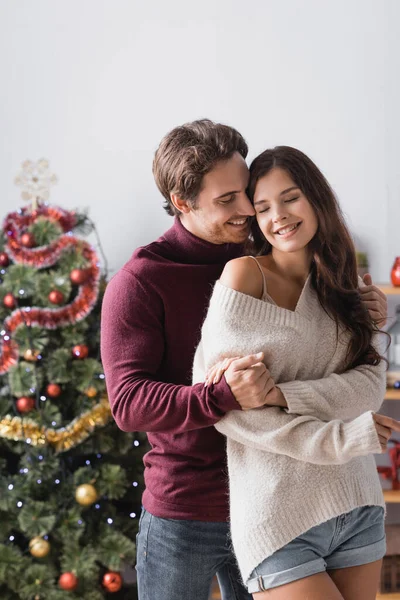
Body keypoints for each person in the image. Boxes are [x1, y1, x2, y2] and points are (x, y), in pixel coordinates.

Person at [100, 121, 388, 600]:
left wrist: (362, 307)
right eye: (228, 200)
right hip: (189, 509)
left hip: (280, 496)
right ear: (182, 201)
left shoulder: (276, 250)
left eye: (246, 194)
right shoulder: (141, 282)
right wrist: (221, 396)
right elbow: (129, 403)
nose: (247, 211)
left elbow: (335, 357)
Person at [192, 145, 400, 600]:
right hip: (278, 518)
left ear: (315, 198)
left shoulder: (344, 285)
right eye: (262, 207)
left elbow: (367, 387)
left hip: (356, 503)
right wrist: (341, 439)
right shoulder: (243, 275)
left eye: (290, 198)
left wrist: (281, 394)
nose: (278, 216)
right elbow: (231, 411)